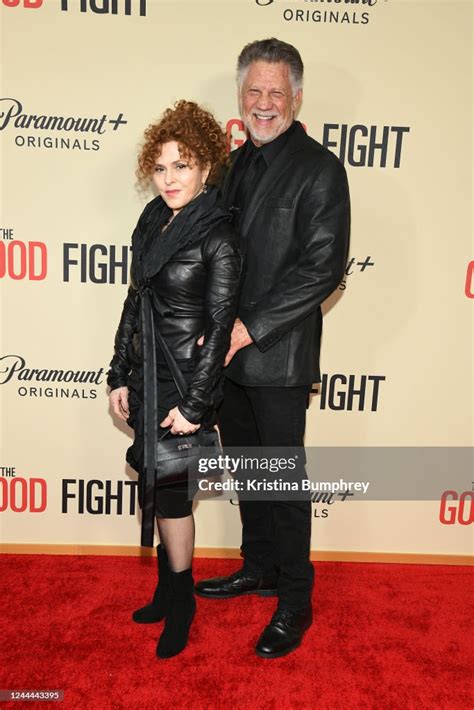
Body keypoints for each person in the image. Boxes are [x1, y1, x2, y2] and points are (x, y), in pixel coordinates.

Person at [195, 39, 351, 659]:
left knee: (284, 482)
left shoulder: (319, 169)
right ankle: (257, 567)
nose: (264, 103)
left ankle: (296, 597)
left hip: (277, 355)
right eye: (254, 91)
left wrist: (246, 328)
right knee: (249, 473)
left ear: (297, 98)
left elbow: (323, 267)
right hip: (227, 359)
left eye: (276, 92)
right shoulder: (231, 165)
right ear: (241, 96)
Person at [107, 100, 241, 659]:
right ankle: (166, 589)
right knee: (160, 490)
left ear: (207, 168)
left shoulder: (219, 236)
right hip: (147, 379)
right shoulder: (150, 222)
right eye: (161, 167)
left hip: (186, 383)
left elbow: (220, 326)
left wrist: (195, 404)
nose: (170, 178)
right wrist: (118, 371)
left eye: (182, 166)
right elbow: (134, 300)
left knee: (173, 499)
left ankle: (182, 601)